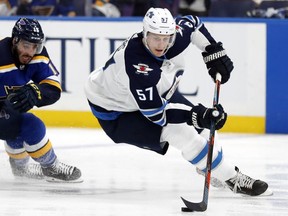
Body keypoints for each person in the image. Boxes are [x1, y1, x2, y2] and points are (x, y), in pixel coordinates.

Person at [85, 7, 272, 196]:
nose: (161, 44)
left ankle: (208, 167)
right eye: (155, 37)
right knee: (180, 132)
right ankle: (232, 178)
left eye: (165, 38)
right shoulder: (138, 68)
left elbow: (193, 23)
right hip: (115, 111)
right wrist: (194, 115)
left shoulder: (173, 38)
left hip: (146, 89)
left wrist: (213, 52)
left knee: (205, 126)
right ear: (145, 33)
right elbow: (157, 115)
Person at [0, 17, 82, 182]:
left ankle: (29, 168)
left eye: (35, 46)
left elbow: (53, 87)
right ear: (15, 41)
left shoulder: (37, 56)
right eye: (26, 45)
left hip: (5, 115)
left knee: (28, 123)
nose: (30, 52)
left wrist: (36, 92)